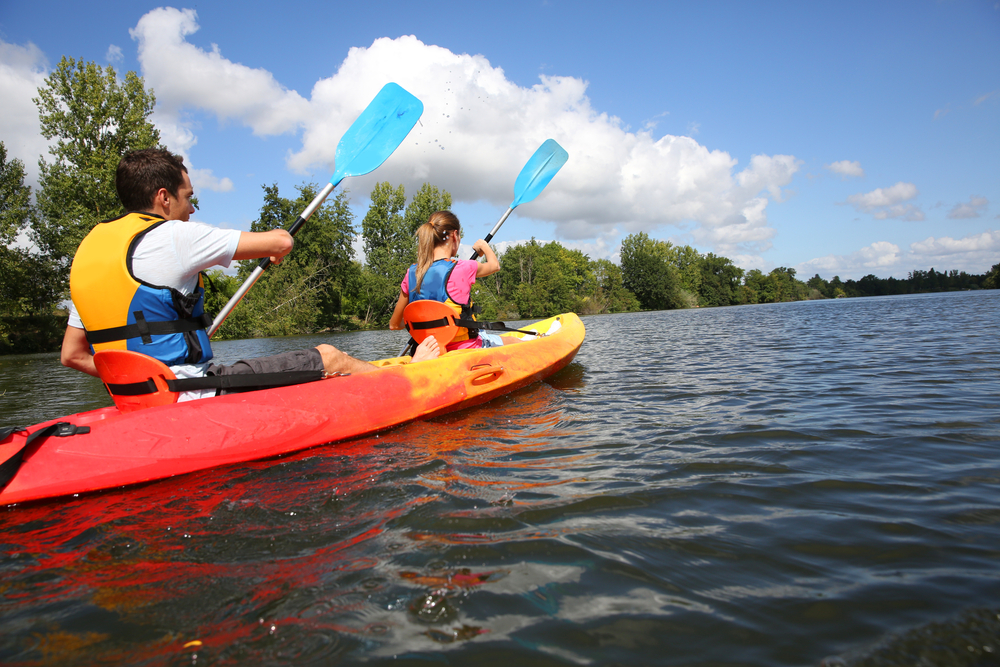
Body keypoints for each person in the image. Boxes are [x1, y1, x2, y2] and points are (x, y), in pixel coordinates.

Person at [62, 148, 439, 401]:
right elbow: (280, 243)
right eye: (188, 196)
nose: (191, 208)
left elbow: (72, 355)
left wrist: (143, 383)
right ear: (164, 197)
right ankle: (408, 379)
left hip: (137, 401)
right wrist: (275, 248)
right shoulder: (173, 235)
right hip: (190, 393)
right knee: (329, 356)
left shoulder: (89, 253)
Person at [389, 210, 521, 352]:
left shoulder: (411, 273)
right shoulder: (464, 267)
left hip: (429, 352)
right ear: (455, 235)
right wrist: (484, 246)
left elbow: (395, 325)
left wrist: (423, 325)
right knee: (516, 341)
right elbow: (494, 265)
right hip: (466, 349)